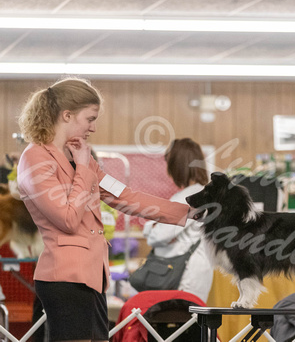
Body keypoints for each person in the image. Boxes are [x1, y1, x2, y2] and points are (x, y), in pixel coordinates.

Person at [16, 77, 192, 342]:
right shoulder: (36, 159)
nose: (94, 128)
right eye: (90, 119)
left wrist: (186, 212)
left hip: (91, 277)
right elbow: (67, 218)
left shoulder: (78, 157)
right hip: (65, 280)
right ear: (67, 115)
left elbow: (126, 196)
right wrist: (85, 167)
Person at [142, 138, 213, 302]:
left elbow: (158, 236)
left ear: (177, 166)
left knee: (178, 323)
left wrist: (154, 226)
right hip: (196, 273)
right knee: (191, 324)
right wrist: (158, 227)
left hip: (183, 276)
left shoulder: (188, 198)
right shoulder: (204, 193)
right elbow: (165, 232)